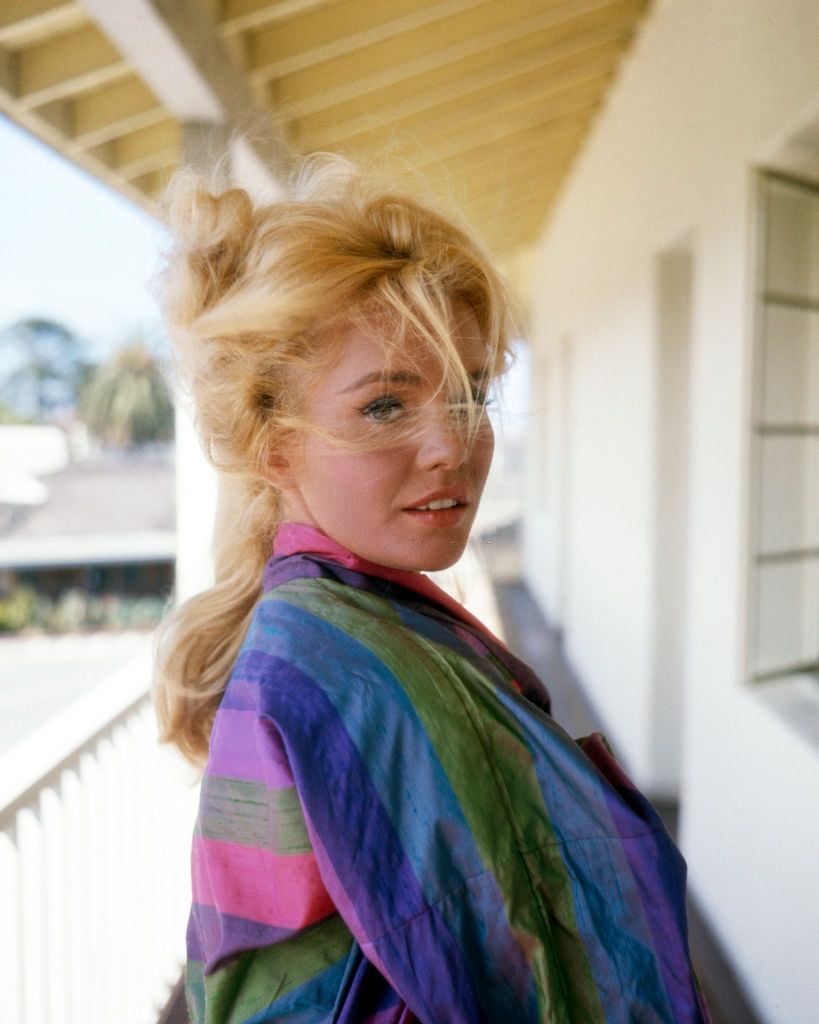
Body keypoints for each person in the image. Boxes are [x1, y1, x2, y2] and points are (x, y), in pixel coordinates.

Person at [153, 157, 710, 1024]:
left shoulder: (344, 624)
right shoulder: (345, 662)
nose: (452, 446)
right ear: (272, 446)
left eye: (470, 395)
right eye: (384, 406)